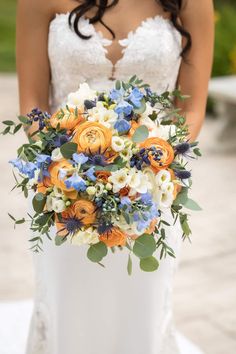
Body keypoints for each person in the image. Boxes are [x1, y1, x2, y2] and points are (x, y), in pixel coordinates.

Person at [16, 1, 214, 353]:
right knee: (68, 309)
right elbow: (32, 101)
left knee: (141, 312)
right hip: (64, 195)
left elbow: (193, 107)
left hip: (150, 195)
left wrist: (153, 167)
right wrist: (68, 172)